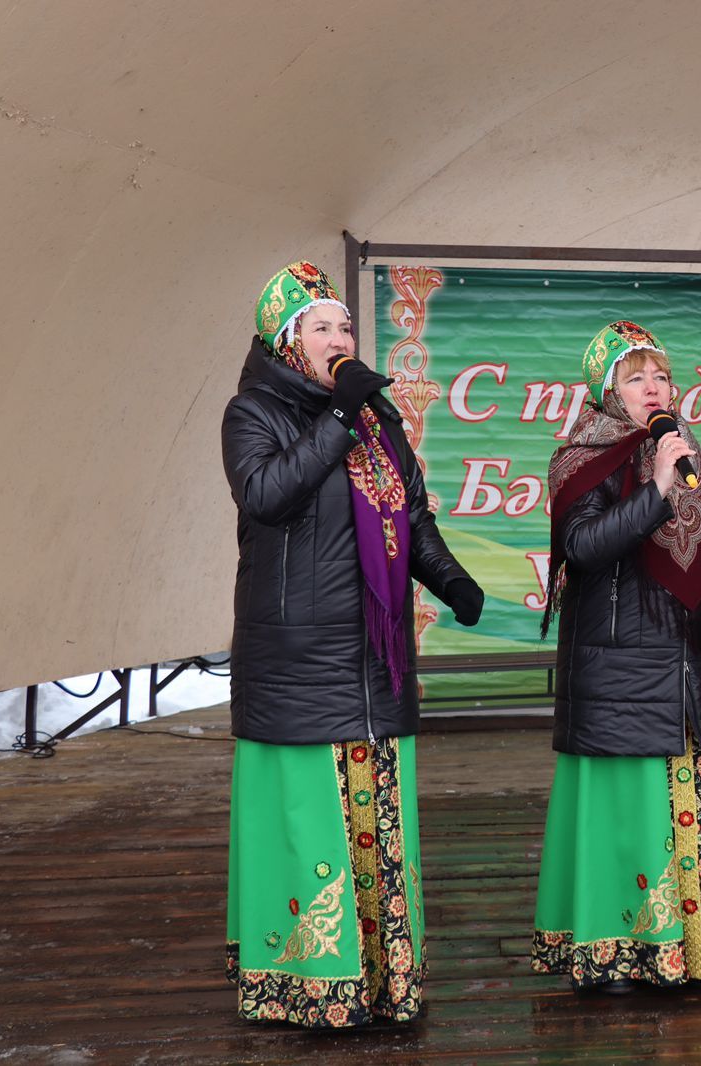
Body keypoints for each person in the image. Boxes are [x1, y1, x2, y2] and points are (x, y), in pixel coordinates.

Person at [222, 261, 484, 1027]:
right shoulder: (253, 413)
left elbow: (411, 519)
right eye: (321, 327)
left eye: (344, 325)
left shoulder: (376, 417)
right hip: (298, 663)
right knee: (314, 826)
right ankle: (312, 988)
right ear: (285, 340)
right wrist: (337, 419)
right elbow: (267, 495)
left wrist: (454, 583)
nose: (339, 337)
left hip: (373, 659)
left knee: (377, 823)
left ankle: (380, 981)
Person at [529, 320, 701, 993]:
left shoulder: (691, 456)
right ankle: (613, 954)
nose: (654, 387)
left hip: (681, 671)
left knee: (680, 812)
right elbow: (585, 548)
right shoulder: (580, 458)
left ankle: (686, 949)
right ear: (608, 393)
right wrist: (656, 490)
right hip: (614, 675)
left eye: (661, 375)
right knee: (625, 819)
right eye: (637, 378)